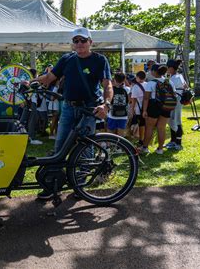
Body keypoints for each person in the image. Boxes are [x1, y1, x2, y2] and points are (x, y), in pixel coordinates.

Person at [34, 27, 113, 199]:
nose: (79, 44)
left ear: (90, 42)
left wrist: (105, 104)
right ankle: (52, 184)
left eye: (83, 40)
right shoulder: (67, 59)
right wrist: (30, 81)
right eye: (76, 41)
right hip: (69, 108)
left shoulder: (100, 60)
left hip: (89, 109)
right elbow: (49, 78)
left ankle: (80, 185)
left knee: (85, 148)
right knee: (59, 146)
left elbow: (107, 85)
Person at [141, 64, 176, 155]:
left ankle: (145, 147)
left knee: (149, 128)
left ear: (154, 72)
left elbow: (146, 98)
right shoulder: (169, 82)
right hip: (166, 106)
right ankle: (160, 149)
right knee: (162, 128)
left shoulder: (151, 83)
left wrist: (144, 110)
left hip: (153, 105)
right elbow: (174, 95)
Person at [166, 59, 187, 151]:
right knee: (172, 119)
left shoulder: (175, 78)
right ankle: (173, 141)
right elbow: (185, 86)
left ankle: (178, 142)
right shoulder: (178, 76)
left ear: (171, 68)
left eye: (167, 68)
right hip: (175, 100)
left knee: (176, 120)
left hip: (176, 101)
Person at [20, 68, 42, 145]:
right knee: (32, 120)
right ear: (34, 74)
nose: (37, 75)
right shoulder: (31, 82)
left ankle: (20, 136)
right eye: (37, 74)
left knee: (23, 121)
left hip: (29, 102)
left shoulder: (27, 82)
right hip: (31, 103)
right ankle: (31, 138)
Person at [107, 72, 130, 136]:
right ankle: (119, 145)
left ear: (114, 79)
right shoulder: (127, 89)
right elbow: (129, 100)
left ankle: (109, 145)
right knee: (121, 134)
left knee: (110, 133)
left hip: (112, 114)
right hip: (123, 115)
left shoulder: (110, 89)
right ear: (124, 80)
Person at [129, 71, 147, 146]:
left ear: (137, 77)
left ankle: (141, 140)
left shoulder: (135, 87)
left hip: (139, 110)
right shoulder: (147, 85)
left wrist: (132, 110)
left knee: (141, 125)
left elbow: (133, 101)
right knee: (146, 125)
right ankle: (145, 139)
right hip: (147, 108)